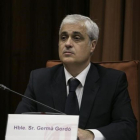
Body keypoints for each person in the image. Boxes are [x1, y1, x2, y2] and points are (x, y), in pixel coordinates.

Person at [15, 14, 137, 140]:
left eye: (76, 38)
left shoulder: (112, 81)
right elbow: (19, 125)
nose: (67, 43)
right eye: (63, 37)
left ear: (92, 45)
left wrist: (91, 135)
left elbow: (127, 127)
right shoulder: (39, 79)